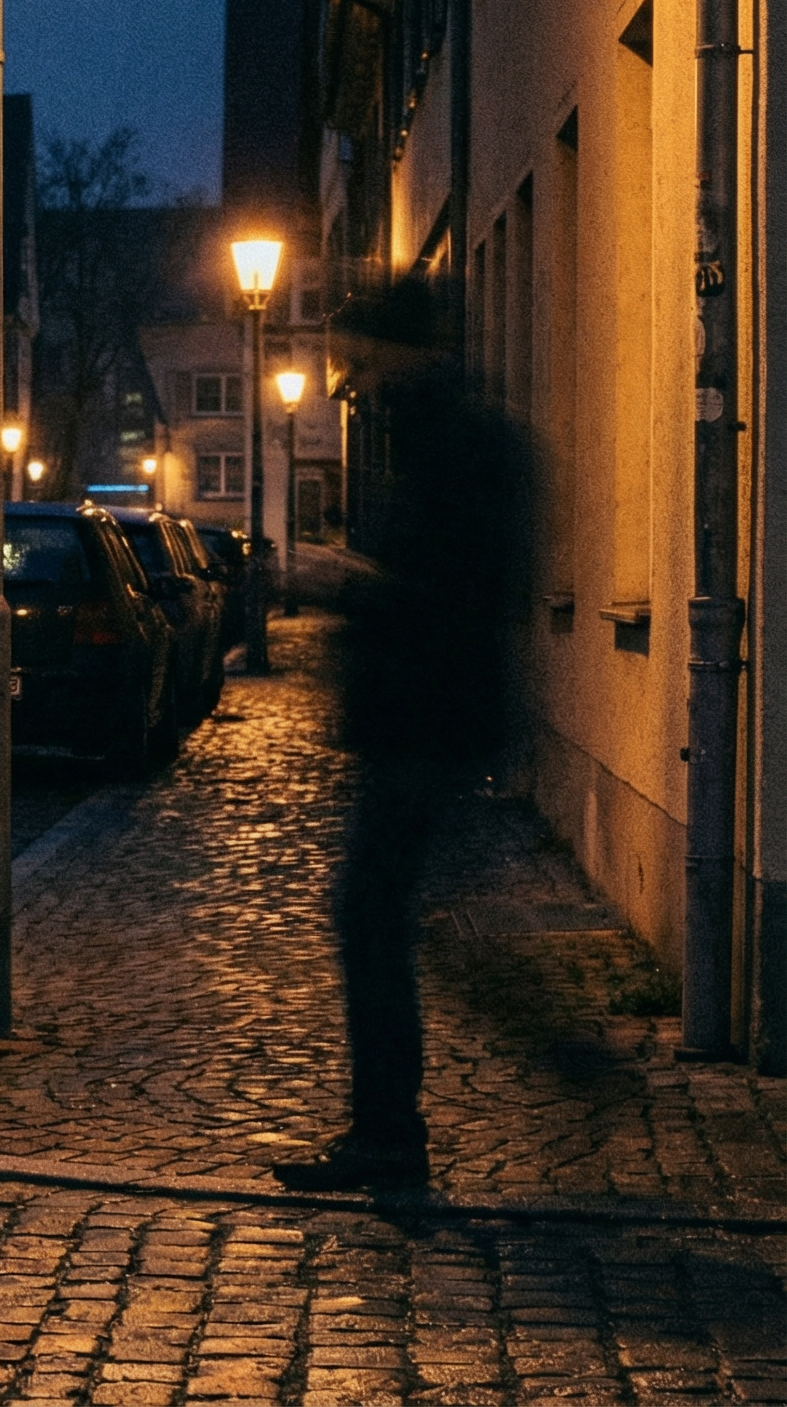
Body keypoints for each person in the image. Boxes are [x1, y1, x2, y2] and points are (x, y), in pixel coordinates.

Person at [273, 282, 523, 1193]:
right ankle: (390, 1126)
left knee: (374, 915)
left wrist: (348, 584)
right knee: (394, 917)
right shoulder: (430, 435)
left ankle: (391, 1133)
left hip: (432, 716)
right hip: (419, 718)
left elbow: (452, 595)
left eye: (364, 362)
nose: (355, 383)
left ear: (402, 353)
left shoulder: (452, 442)